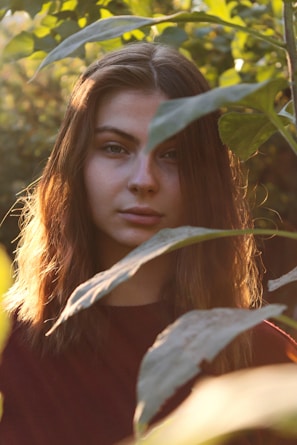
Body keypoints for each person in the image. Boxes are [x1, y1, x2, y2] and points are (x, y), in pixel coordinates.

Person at [0, 42, 296, 445]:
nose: (144, 179)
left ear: (205, 178)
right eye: (115, 148)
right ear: (76, 163)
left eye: (172, 154)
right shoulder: (6, 345)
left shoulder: (263, 362)